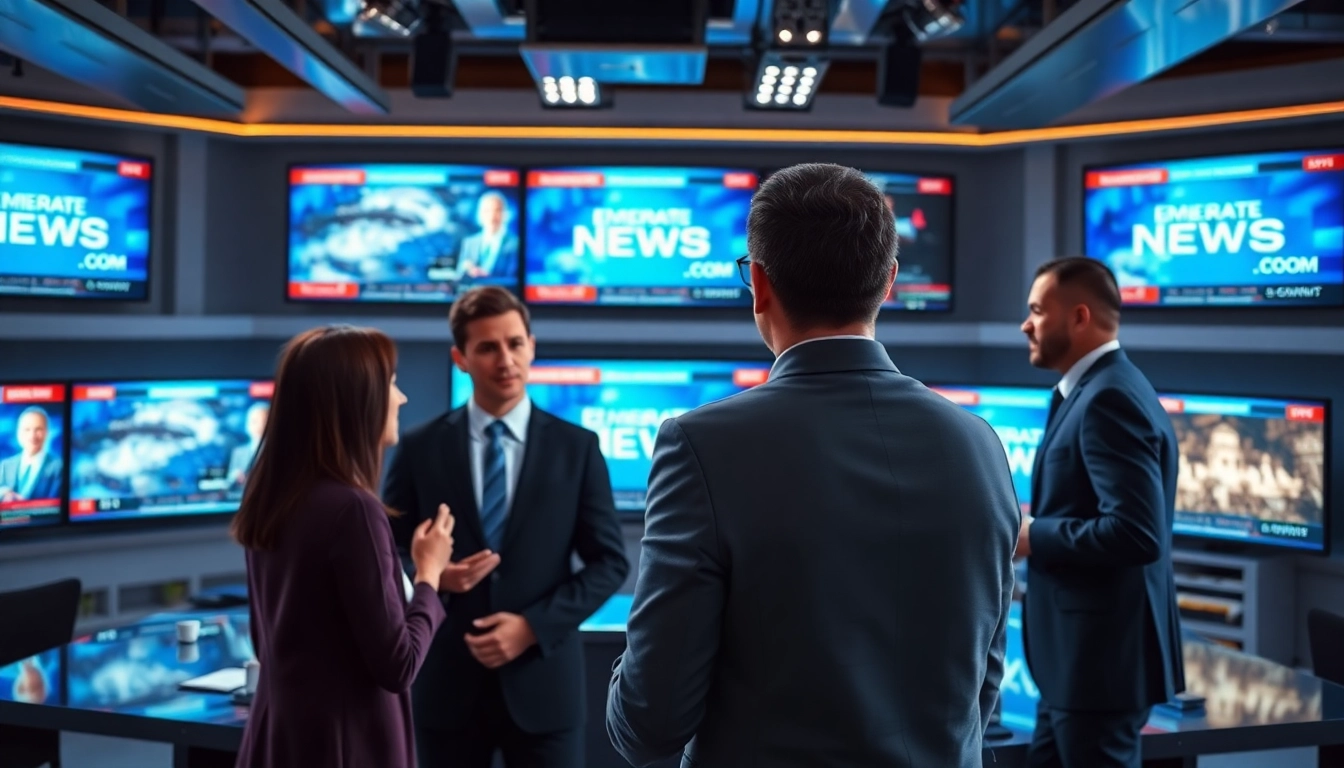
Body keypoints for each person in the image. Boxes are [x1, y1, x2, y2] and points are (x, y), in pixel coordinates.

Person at [606, 163, 1021, 768]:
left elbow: (649, 724)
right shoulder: (980, 444)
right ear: (888, 283)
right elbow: (982, 685)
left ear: (760, 285)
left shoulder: (699, 447)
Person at [385, 286, 629, 768]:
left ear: (532, 347)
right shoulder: (419, 447)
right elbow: (385, 550)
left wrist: (531, 628)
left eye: (515, 344)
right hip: (446, 691)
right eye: (488, 347)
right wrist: (431, 579)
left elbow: (610, 562)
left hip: (544, 689)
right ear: (460, 358)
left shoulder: (576, 448)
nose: (506, 359)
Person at [233, 325, 456, 768]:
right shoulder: (353, 510)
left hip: (279, 742)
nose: (401, 399)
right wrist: (429, 576)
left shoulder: (271, 497)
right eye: (391, 384)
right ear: (358, 400)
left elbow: (283, 638)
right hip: (344, 749)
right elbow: (399, 664)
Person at [1016, 257, 1185, 768]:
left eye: (1037, 310)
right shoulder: (1093, 390)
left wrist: (1032, 535)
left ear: (1080, 318)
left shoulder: (1110, 397)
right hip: (1073, 668)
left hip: (1099, 668)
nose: (1026, 324)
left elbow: (1136, 533)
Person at [0, 406, 63, 502]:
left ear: (47, 432)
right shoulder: (6, 466)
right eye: (27, 429)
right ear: (18, 433)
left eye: (38, 429)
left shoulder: (58, 467)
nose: (32, 435)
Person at [456, 192, 518, 279]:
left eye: (497, 210)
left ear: (505, 214)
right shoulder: (470, 242)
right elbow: (458, 275)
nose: (492, 216)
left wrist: (487, 276)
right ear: (479, 214)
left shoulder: (515, 244)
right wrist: (467, 269)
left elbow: (514, 278)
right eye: (487, 211)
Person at [228, 402, 269, 485]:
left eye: (264, 421)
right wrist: (235, 476)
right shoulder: (239, 452)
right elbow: (229, 479)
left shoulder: (278, 452)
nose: (259, 426)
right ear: (247, 425)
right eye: (254, 421)